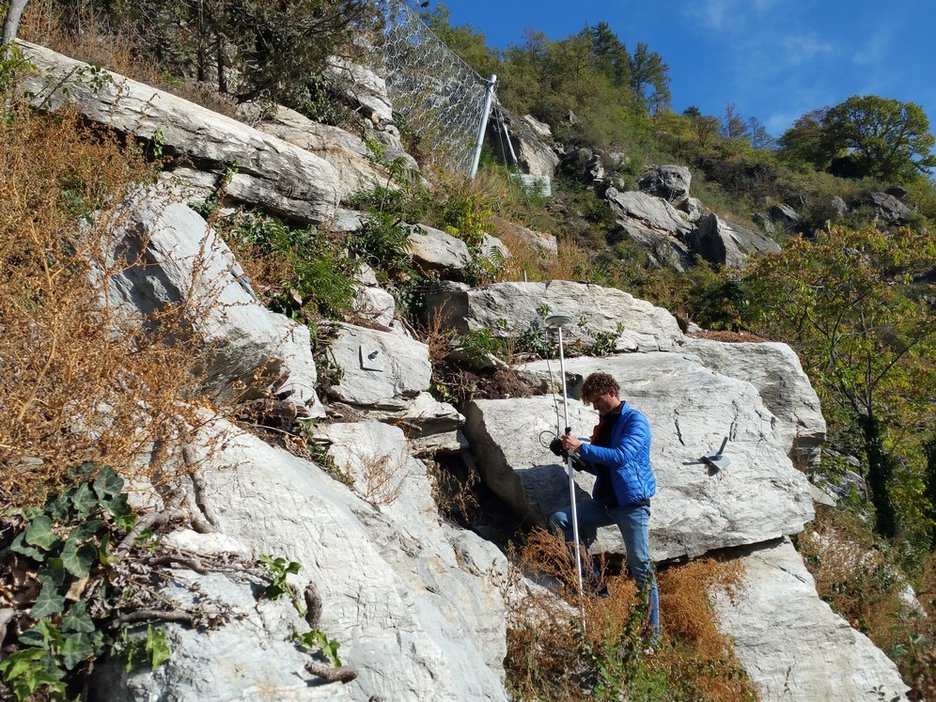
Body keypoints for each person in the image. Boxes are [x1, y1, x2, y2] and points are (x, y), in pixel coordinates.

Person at [548, 371, 660, 642]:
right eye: (592, 404)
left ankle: (653, 635)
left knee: (641, 566)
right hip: (606, 503)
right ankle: (595, 588)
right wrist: (575, 457)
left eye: (598, 401)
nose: (596, 407)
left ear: (612, 391)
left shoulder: (635, 421)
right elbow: (602, 466)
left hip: (632, 505)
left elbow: (621, 457)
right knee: (560, 519)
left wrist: (582, 448)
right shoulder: (602, 424)